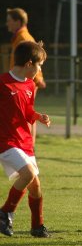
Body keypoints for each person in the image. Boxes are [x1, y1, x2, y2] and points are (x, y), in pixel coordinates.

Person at [0, 41, 51, 238]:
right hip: (7, 141)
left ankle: (37, 226)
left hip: (24, 142)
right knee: (28, 174)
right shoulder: (3, 83)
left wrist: (38, 116)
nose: (39, 71)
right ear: (29, 64)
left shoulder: (29, 84)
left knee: (35, 187)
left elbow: (27, 111)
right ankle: (5, 212)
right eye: (39, 66)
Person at [6, 8, 46, 148]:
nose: (7, 24)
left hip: (24, 83)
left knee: (26, 116)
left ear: (18, 21)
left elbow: (35, 59)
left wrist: (38, 78)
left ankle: (27, 148)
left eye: (9, 21)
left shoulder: (24, 39)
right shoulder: (19, 37)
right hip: (18, 82)